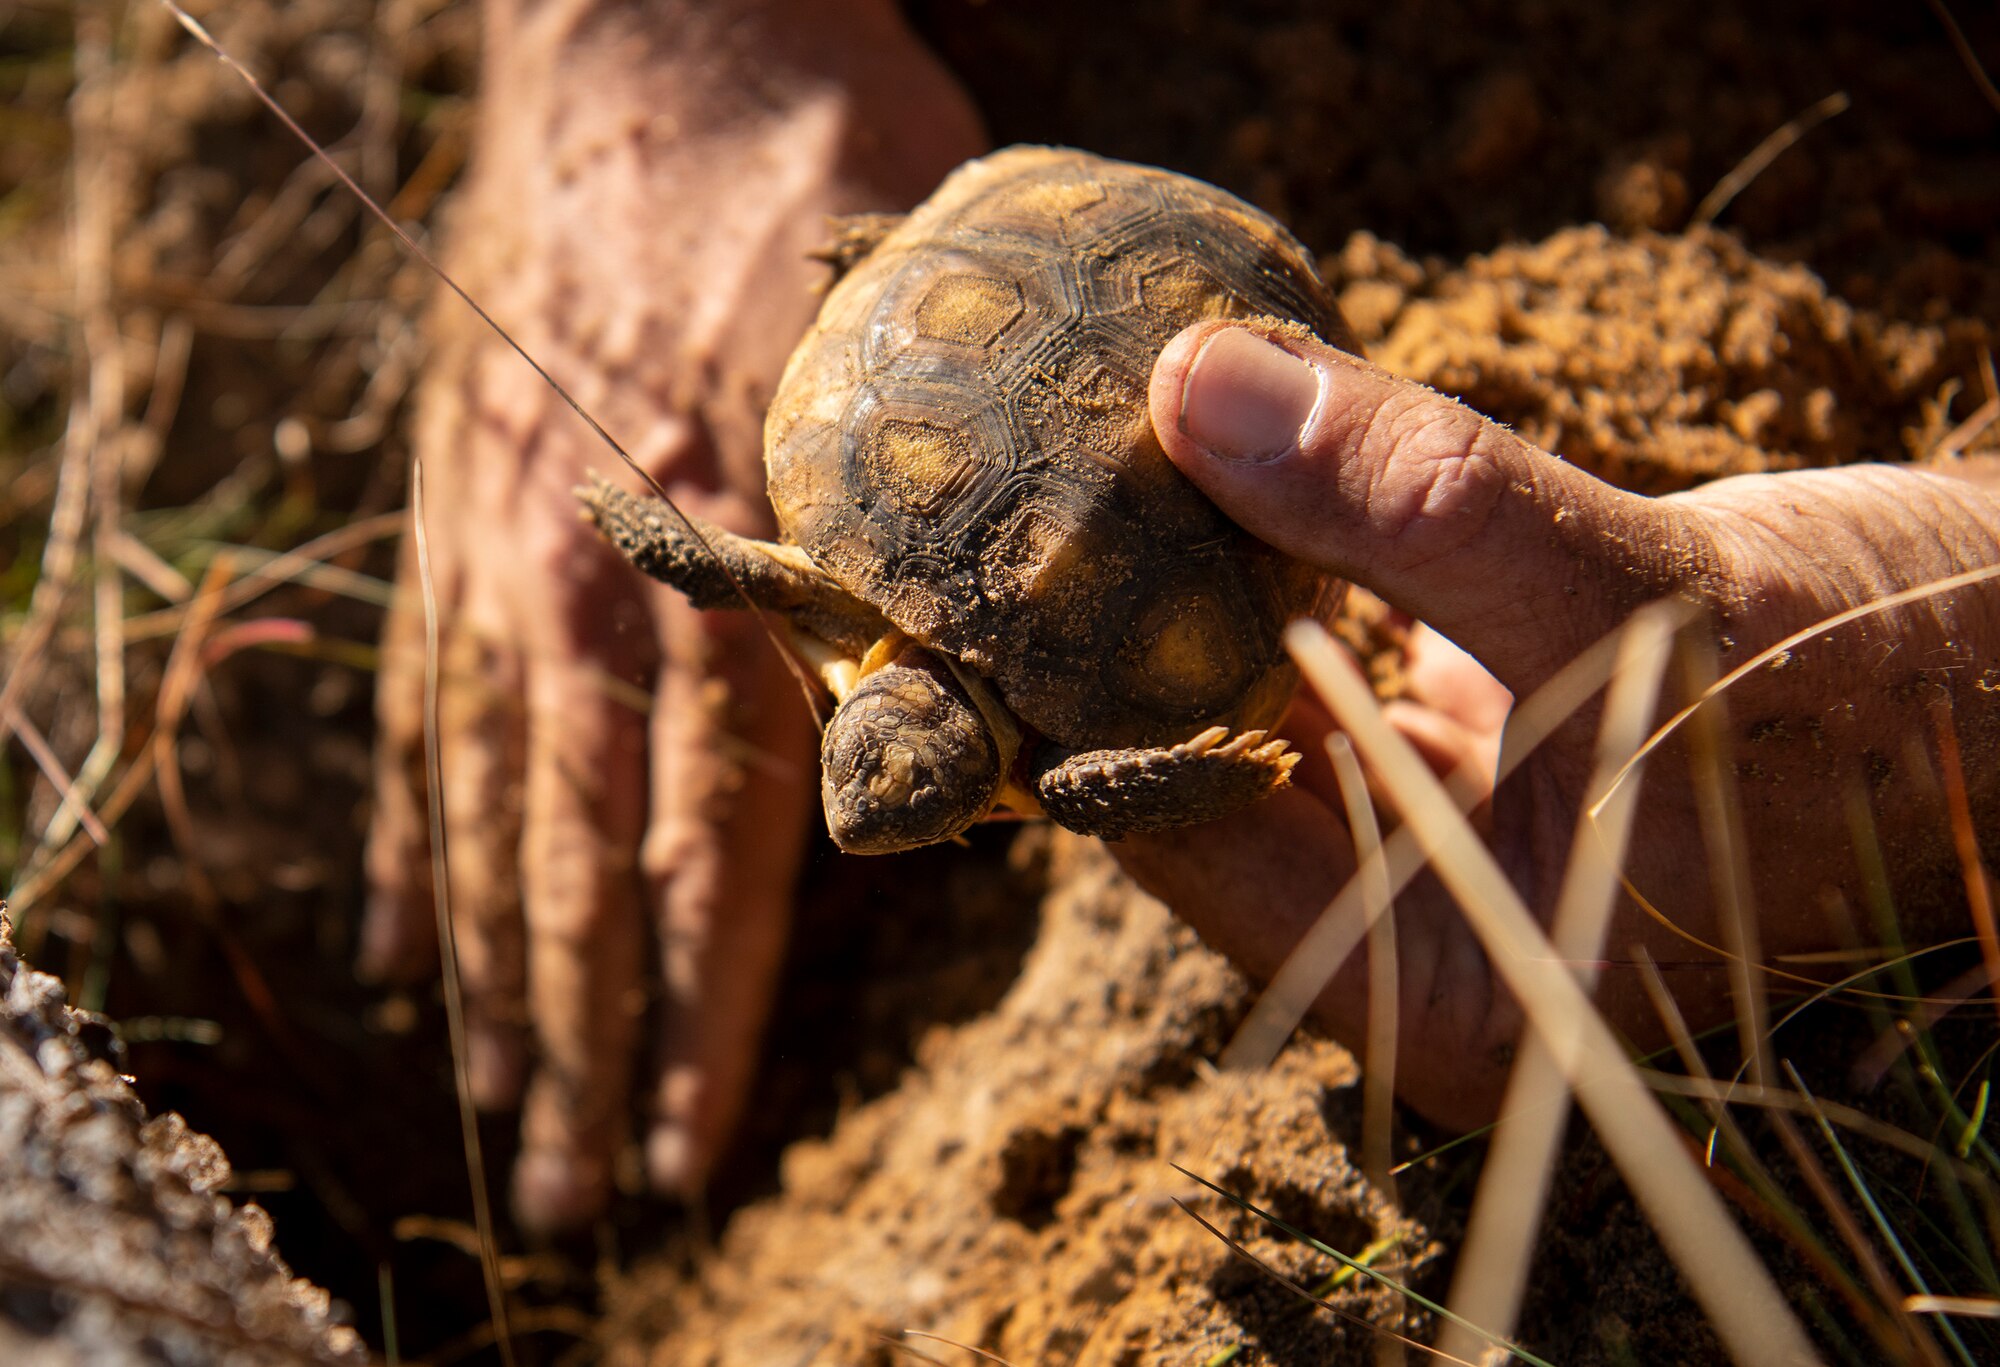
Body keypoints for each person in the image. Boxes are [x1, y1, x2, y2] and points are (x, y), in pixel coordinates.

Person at [362, 0, 2000, 1231]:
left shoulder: (1065, 757)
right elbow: (756, 571)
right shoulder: (847, 591)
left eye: (898, 783)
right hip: (1010, 221)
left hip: (1095, 260)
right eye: (895, 784)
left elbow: (766, 579)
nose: (881, 805)